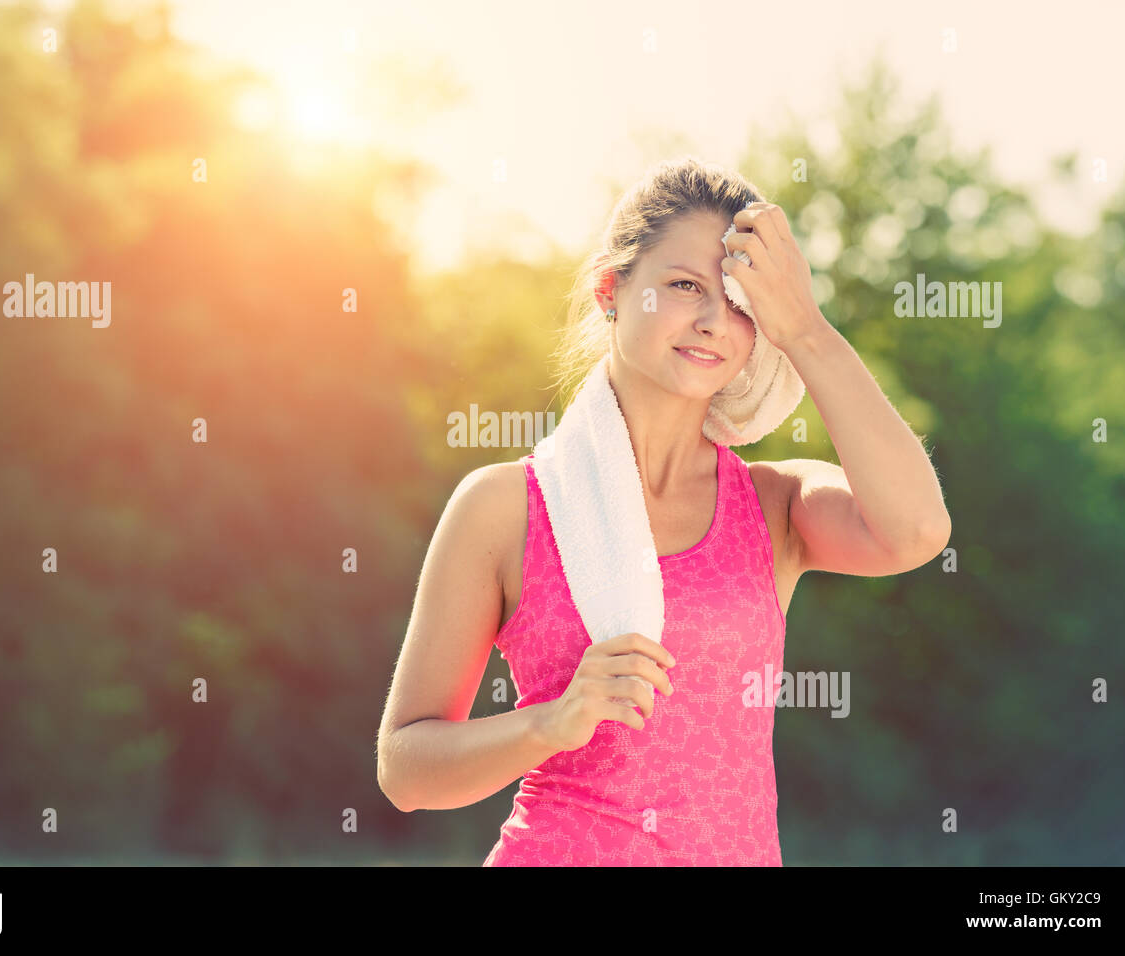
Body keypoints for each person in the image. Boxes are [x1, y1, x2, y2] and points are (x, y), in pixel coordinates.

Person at [376, 157, 951, 865]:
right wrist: (550, 724)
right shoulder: (506, 507)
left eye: (742, 304)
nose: (713, 321)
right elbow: (405, 770)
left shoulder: (775, 506)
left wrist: (806, 329)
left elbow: (919, 532)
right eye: (684, 286)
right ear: (611, 290)